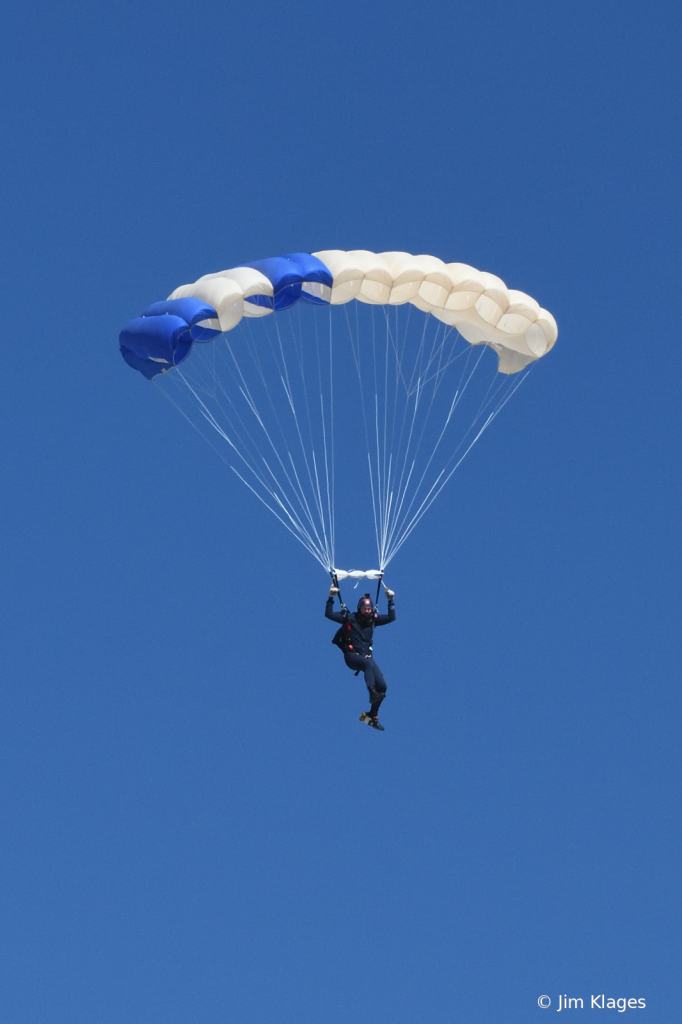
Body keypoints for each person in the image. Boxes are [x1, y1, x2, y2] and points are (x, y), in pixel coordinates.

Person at [326, 584, 395, 730]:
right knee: (367, 665)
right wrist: (331, 597)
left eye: (369, 609)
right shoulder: (350, 618)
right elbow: (329, 614)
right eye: (365, 609)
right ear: (359, 608)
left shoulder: (373, 620)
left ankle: (371, 715)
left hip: (367, 658)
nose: (367, 611)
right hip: (352, 657)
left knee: (383, 686)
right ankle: (371, 692)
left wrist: (390, 601)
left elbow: (391, 617)